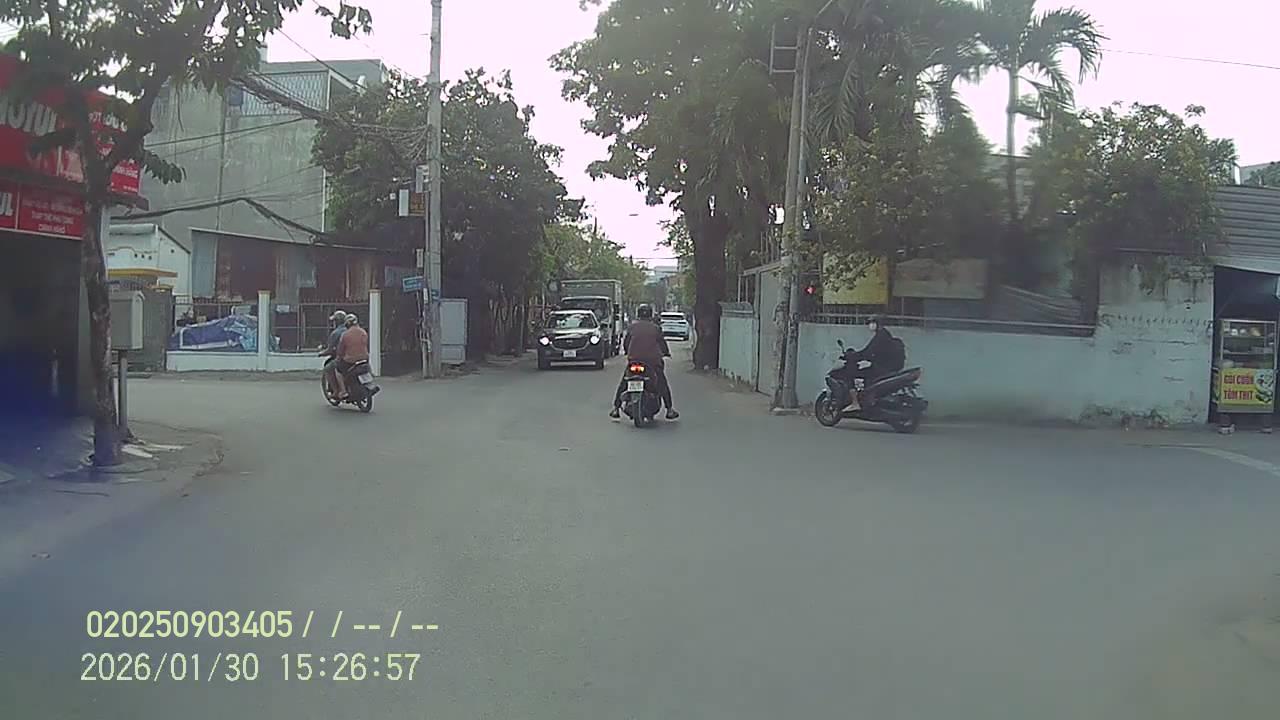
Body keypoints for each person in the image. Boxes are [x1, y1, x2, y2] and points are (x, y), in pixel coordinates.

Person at [610, 304, 679, 420]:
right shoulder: (655, 328)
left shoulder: (632, 327)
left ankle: (616, 408)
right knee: (662, 383)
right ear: (651, 315)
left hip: (634, 360)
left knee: (624, 382)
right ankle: (669, 409)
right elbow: (662, 343)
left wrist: (628, 352)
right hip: (652, 362)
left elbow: (626, 343)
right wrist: (666, 353)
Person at [838, 315, 904, 412]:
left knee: (850, 374)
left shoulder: (881, 336)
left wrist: (852, 356)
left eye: (872, 322)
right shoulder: (883, 334)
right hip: (885, 367)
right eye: (870, 323)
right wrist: (860, 356)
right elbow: (872, 352)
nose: (870, 325)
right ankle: (868, 400)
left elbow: (868, 352)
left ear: (878, 323)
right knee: (866, 376)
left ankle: (855, 403)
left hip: (881, 368)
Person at [334, 313, 370, 399]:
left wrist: (338, 358)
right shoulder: (363, 332)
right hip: (364, 358)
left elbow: (340, 350)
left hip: (350, 361)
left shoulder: (345, 335)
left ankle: (343, 391)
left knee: (338, 370)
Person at [322, 310, 348, 397]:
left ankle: (336, 391)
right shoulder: (350, 330)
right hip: (356, 356)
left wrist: (322, 353)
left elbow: (330, 349)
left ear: (336, 322)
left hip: (342, 358)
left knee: (328, 368)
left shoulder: (336, 333)